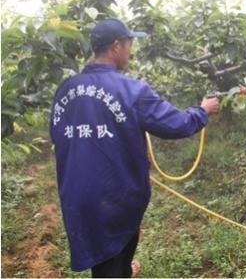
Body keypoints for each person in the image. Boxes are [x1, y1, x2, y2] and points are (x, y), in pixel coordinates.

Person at [49, 18, 220, 277]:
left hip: (77, 194)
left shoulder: (65, 90)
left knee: (107, 254)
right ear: (116, 46)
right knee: (112, 255)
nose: (131, 50)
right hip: (115, 195)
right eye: (129, 44)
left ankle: (122, 270)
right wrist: (202, 110)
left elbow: (58, 135)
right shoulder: (131, 90)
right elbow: (176, 124)